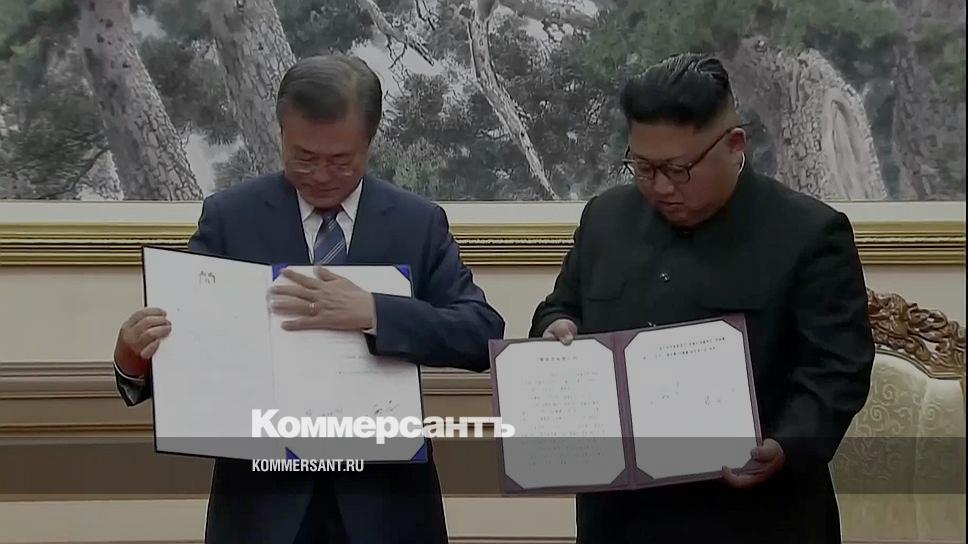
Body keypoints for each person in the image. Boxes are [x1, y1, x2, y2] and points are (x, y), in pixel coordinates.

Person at [113, 54, 505, 544]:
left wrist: (375, 312)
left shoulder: (417, 222)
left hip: (385, 509)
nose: (320, 174)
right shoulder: (232, 218)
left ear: (370, 141)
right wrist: (133, 356)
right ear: (280, 134)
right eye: (303, 157)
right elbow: (187, 343)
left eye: (340, 160)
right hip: (262, 510)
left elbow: (480, 333)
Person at [532, 53, 874, 543]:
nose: (660, 187)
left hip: (754, 517)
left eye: (678, 169)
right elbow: (561, 307)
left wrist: (785, 444)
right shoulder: (605, 219)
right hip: (619, 519)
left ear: (734, 146)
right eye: (642, 167)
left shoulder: (809, 233)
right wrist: (555, 328)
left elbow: (838, 369)